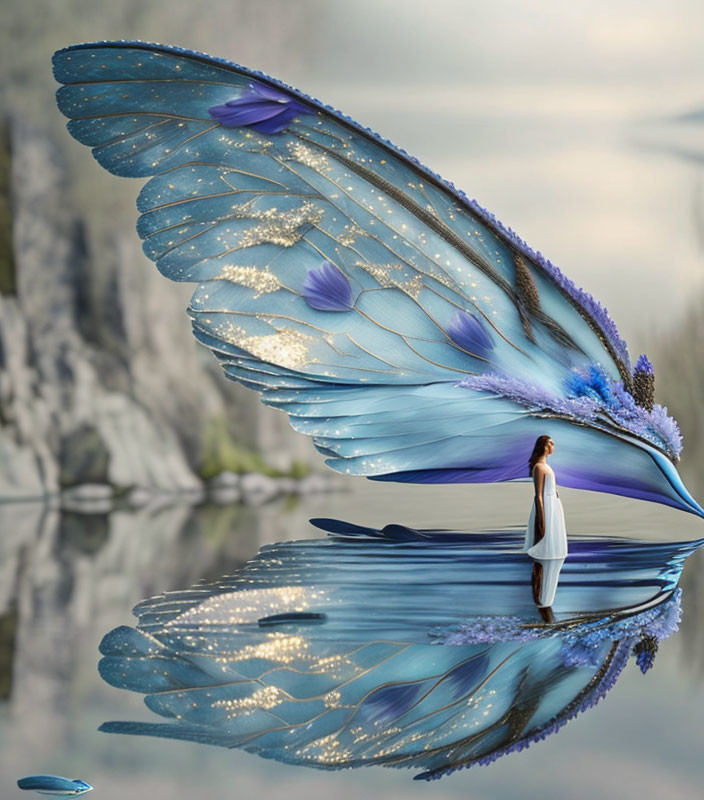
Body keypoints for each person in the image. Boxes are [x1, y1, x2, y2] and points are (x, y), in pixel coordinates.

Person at [523, 435, 568, 610]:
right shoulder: (539, 468)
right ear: (544, 446)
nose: (553, 446)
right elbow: (539, 496)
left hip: (553, 505)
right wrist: (542, 516)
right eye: (551, 443)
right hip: (547, 506)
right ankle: (543, 598)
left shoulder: (546, 466)